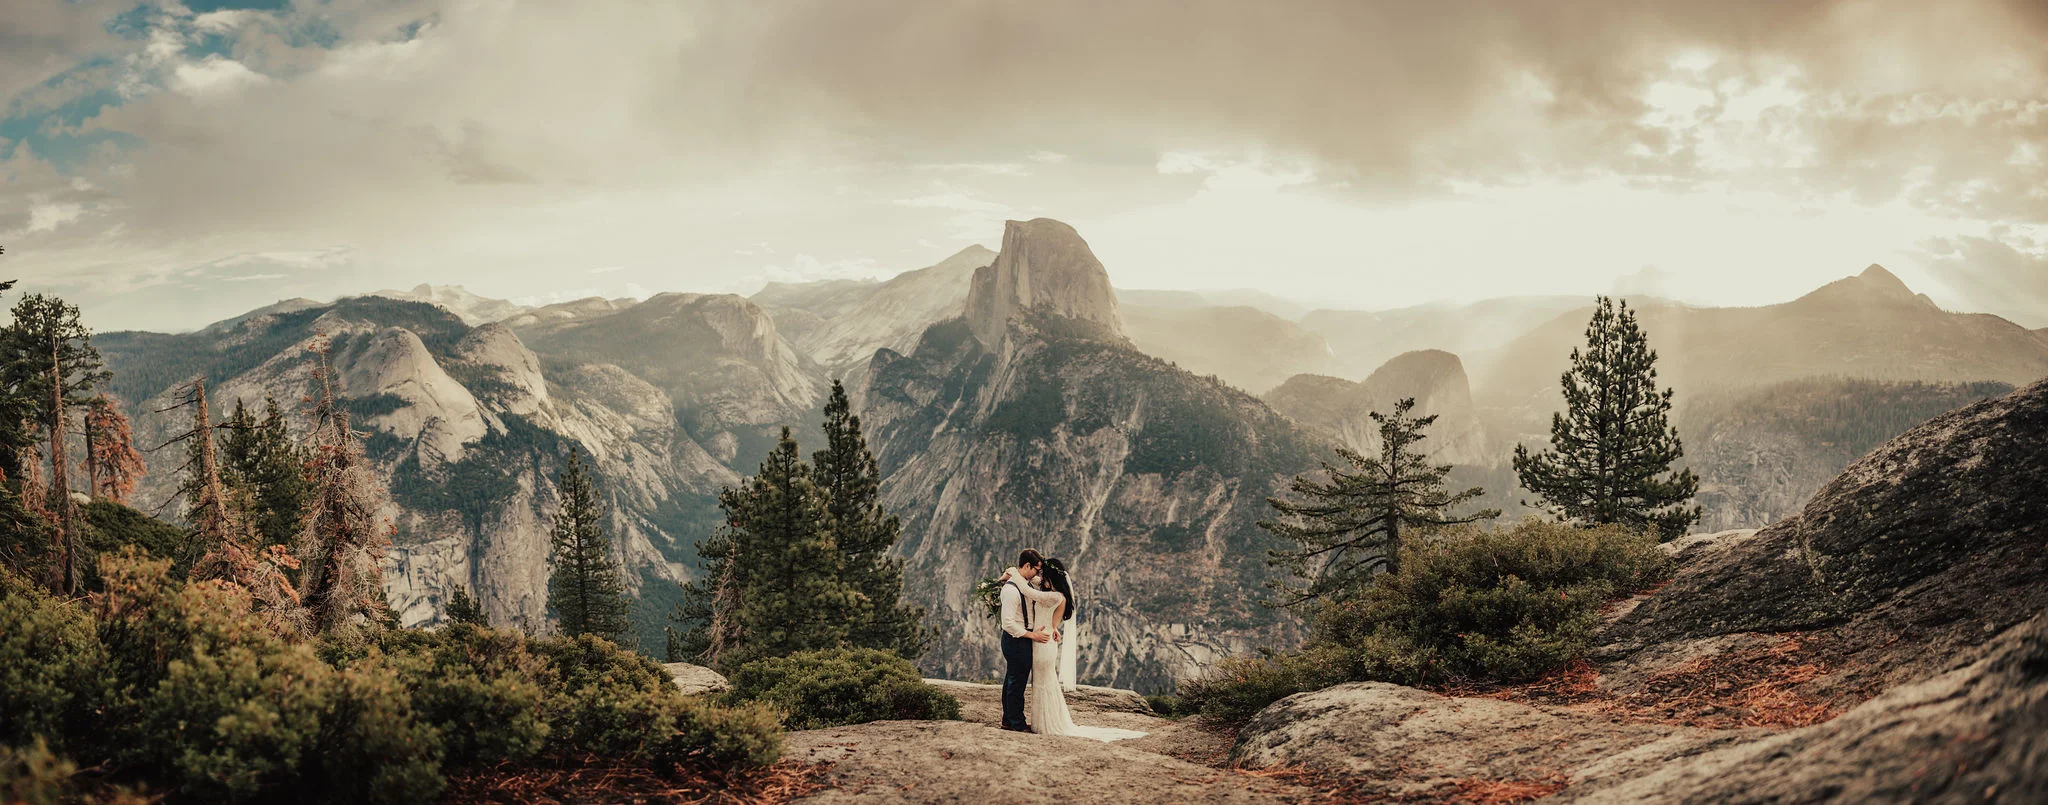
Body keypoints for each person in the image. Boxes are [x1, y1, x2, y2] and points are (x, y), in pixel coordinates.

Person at [998, 557, 1148, 742]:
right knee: (1037, 683)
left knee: (1040, 683)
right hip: (1041, 641)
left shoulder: (1054, 596)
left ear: (1051, 577)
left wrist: (1013, 573)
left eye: (1043, 573)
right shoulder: (1054, 592)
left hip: (1041, 643)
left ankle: (1040, 722)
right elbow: (1032, 584)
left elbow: (1028, 590)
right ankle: (1033, 721)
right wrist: (1053, 628)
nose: (1039, 576)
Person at [997, 549, 1054, 732]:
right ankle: (1016, 723)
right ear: (1027, 566)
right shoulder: (1011, 590)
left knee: (1012, 679)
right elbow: (1008, 624)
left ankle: (1008, 720)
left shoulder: (1025, 582)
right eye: (1036, 570)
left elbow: (1038, 581)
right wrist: (1033, 635)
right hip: (1016, 639)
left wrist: (1012, 570)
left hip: (1021, 638)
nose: (1037, 575)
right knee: (1017, 681)